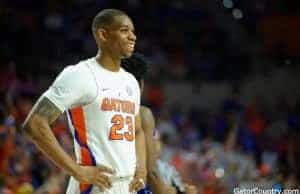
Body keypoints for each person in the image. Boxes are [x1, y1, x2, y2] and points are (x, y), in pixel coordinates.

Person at [22, 9, 146, 194]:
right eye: (124, 30)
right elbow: (34, 123)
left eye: (133, 31)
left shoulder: (130, 82)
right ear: (103, 34)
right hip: (96, 185)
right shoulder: (80, 75)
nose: (132, 37)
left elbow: (137, 130)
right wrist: (77, 171)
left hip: (128, 185)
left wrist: (141, 169)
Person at [122, 53, 197, 194]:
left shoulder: (96, 109)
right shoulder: (142, 114)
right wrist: (181, 192)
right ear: (140, 85)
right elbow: (152, 176)